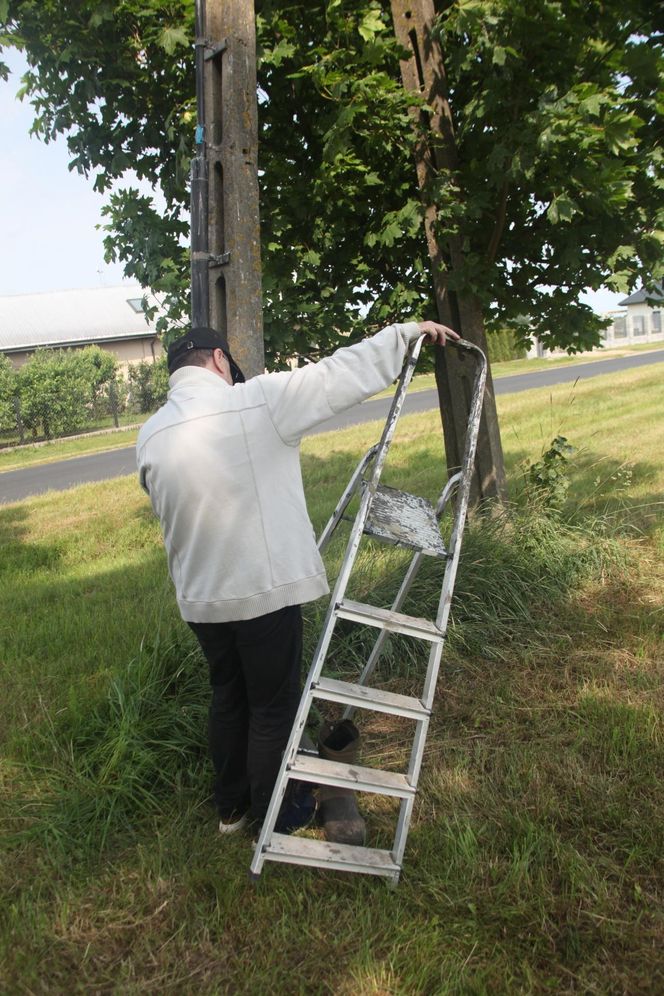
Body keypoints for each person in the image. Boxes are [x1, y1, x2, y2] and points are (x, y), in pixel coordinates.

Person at [136, 318, 459, 835]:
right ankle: (277, 815)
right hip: (262, 591)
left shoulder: (150, 435)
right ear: (220, 362)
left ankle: (232, 809)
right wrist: (404, 335)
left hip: (200, 599)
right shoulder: (253, 401)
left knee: (229, 694)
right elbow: (336, 376)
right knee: (271, 706)